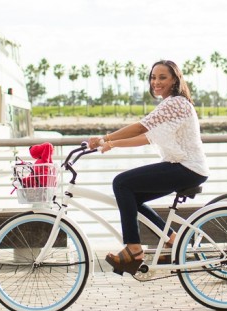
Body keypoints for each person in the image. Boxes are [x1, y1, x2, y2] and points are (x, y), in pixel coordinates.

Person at [87, 60, 209, 275]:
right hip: (184, 166)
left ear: (175, 80)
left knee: (121, 183)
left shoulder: (176, 103)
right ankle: (173, 240)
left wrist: (107, 140)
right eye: (153, 77)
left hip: (187, 167)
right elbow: (145, 133)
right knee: (131, 198)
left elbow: (142, 129)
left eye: (162, 77)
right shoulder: (172, 103)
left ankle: (134, 249)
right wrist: (107, 140)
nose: (156, 82)